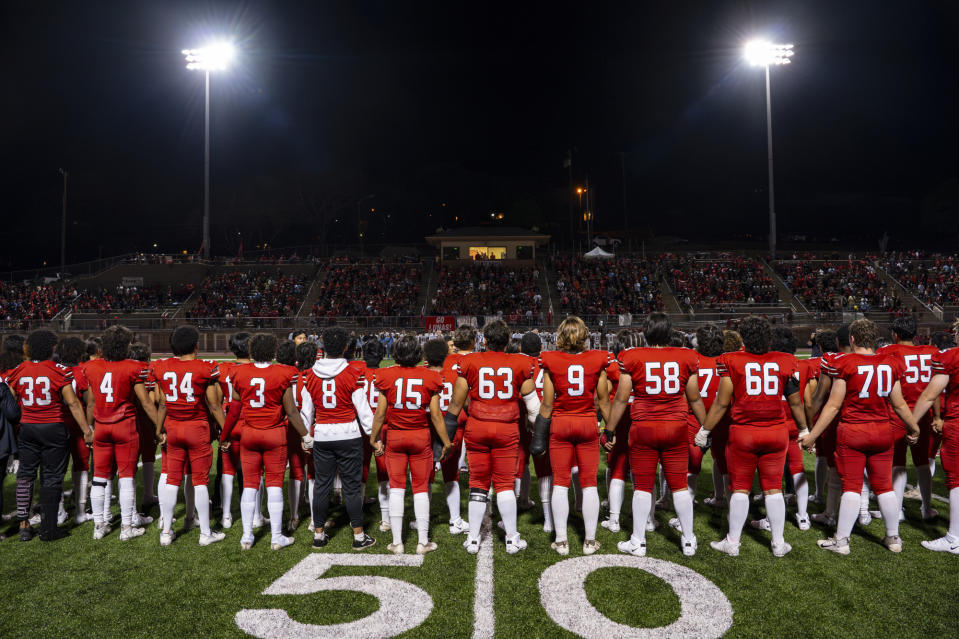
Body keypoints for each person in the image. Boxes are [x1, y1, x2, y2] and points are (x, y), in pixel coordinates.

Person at [800, 319, 920, 554]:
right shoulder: (890, 362)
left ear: (852, 339)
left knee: (852, 487)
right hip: (882, 432)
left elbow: (833, 406)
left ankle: (842, 541)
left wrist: (813, 435)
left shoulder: (844, 362)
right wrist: (914, 427)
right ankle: (893, 538)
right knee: (884, 487)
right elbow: (899, 404)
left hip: (854, 431)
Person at [696, 316, 807, 557]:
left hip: (744, 433)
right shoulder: (784, 361)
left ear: (744, 338)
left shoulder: (732, 360)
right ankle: (778, 543)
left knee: (740, 489)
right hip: (775, 432)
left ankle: (733, 542)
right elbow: (795, 402)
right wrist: (804, 428)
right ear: (768, 338)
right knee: (773, 488)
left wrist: (705, 429)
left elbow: (721, 403)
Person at [606, 312, 706, 557]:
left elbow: (621, 398)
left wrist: (609, 429)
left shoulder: (632, 356)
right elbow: (694, 397)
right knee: (680, 485)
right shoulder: (686, 356)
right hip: (676, 426)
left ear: (646, 333)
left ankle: (638, 541)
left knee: (642, 486)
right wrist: (706, 426)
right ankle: (689, 540)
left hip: (644, 427)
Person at [444, 319, 540, 555]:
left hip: (477, 427)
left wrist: (444, 437)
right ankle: (511, 538)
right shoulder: (521, 363)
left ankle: (474, 539)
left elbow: (456, 404)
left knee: (478, 483)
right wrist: (538, 432)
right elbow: (534, 408)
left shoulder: (469, 362)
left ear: (484, 341)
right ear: (508, 341)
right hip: (506, 428)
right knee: (505, 484)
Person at [220, 333, 312, 550]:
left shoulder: (239, 372)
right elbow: (291, 411)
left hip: (249, 434)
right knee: (274, 484)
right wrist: (306, 435)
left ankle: (246, 536)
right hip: (274, 435)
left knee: (250, 485)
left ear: (251, 352)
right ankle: (276, 537)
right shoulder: (283, 372)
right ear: (273, 352)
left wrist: (224, 436)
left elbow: (234, 411)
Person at [536, 316, 611, 556]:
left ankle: (561, 541)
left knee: (560, 483)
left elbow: (547, 405)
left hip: (561, 423)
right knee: (589, 483)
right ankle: (589, 541)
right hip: (587, 422)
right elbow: (603, 400)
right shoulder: (597, 359)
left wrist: (539, 435)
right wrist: (610, 428)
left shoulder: (550, 360)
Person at [8, 330, 91, 541]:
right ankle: (49, 527)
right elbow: (72, 402)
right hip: (53, 426)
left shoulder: (18, 370)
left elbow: (11, 401)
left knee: (25, 475)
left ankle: (24, 525)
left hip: (27, 428)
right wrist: (86, 429)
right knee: (52, 477)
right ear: (51, 348)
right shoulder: (59, 370)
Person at [371, 335, 451, 554]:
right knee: (420, 488)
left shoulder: (385, 375)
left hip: (395, 436)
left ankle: (397, 542)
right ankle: (422, 542)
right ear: (418, 354)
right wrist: (446, 441)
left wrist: (373, 437)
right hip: (420, 437)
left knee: (396, 488)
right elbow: (435, 416)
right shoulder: (430, 376)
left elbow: (380, 414)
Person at [298, 326, 376, 550]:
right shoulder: (353, 373)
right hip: (349, 434)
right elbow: (363, 411)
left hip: (322, 434)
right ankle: (359, 536)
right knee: (351, 487)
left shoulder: (310, 375)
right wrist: (374, 436)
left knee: (322, 485)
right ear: (345, 347)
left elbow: (306, 412)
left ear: (322, 347)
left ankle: (319, 534)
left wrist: (306, 436)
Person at [80, 325, 158, 541]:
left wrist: (88, 429)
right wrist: (161, 426)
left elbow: (91, 403)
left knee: (99, 477)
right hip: (125, 425)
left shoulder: (91, 367)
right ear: (125, 345)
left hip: (101, 426)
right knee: (126, 477)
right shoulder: (134, 367)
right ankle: (126, 527)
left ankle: (99, 526)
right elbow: (145, 402)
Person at [151, 325, 226, 546]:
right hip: (197, 428)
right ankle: (205, 533)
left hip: (173, 428)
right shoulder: (205, 367)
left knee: (172, 479)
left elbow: (163, 402)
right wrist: (226, 431)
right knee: (200, 481)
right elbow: (214, 405)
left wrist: (158, 429)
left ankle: (166, 532)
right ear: (196, 345)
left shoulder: (162, 366)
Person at [877, 315, 940, 521]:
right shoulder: (932, 352)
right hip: (924, 414)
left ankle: (897, 510)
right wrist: (937, 415)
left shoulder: (887, 352)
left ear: (894, 334)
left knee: (898, 463)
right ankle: (927, 507)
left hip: (898, 414)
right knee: (923, 462)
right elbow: (936, 389)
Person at [912, 318, 959, 553]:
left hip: (958, 422)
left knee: (956, 480)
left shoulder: (951, 358)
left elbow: (931, 395)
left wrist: (912, 423)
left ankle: (954, 537)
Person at [423, 337, 471, 535]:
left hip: (427, 428)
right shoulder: (455, 374)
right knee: (451, 475)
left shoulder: (421, 375)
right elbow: (466, 401)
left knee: (425, 475)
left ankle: (422, 519)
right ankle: (455, 520)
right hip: (453, 428)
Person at [437, 325, 477, 535]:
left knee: (435, 470)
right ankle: (457, 519)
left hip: (438, 418)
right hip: (469, 418)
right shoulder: (477, 361)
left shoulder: (440, 361)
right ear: (473, 341)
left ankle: (422, 515)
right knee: (478, 468)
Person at [601, 329, 641, 534]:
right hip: (644, 418)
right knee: (643, 471)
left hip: (621, 417)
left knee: (617, 467)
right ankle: (649, 519)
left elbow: (604, 394)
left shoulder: (614, 366)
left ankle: (614, 517)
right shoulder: (648, 362)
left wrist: (607, 426)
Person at [516, 331, 555, 534]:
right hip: (545, 420)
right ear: (541, 347)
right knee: (545, 471)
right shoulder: (549, 362)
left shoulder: (516, 363)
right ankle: (548, 519)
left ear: (521, 348)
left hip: (522, 420)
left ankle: (512, 513)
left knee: (517, 466)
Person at [55, 336, 94, 525]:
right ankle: (80, 510)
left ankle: (60, 511)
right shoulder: (82, 371)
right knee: (81, 466)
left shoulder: (54, 370)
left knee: (57, 468)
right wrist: (89, 426)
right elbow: (89, 401)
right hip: (79, 425)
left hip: (57, 423)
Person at [218, 332, 252, 529]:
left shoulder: (223, 369)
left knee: (227, 471)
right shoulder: (255, 370)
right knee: (252, 471)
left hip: (229, 421)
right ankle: (255, 514)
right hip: (249, 422)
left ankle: (226, 515)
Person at [276, 339, 307, 531]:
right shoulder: (300, 376)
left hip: (276, 426)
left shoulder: (272, 373)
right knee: (298, 469)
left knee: (274, 473)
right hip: (297, 425)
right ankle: (294, 514)